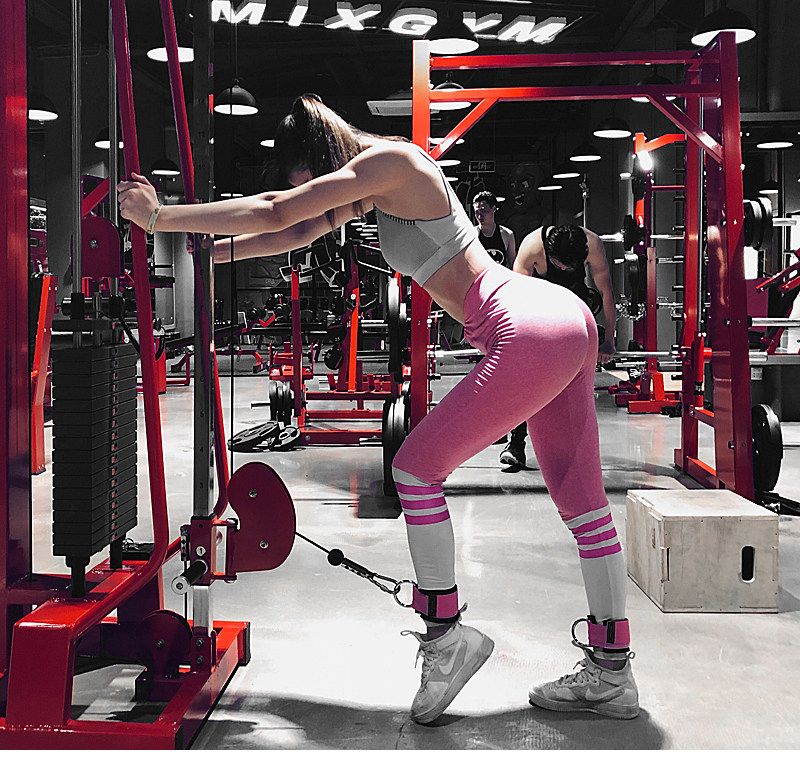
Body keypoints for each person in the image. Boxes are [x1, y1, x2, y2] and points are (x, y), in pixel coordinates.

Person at [117, 93, 638, 725]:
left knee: (415, 469)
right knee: (582, 504)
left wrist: (160, 217)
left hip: (525, 322)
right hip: (557, 319)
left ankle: (447, 638)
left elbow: (277, 209)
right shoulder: (377, 188)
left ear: (322, 151)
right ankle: (613, 674)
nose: (306, 188)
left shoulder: (394, 161)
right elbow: (294, 229)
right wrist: (209, 250)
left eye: (306, 175)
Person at [498, 224, 617, 469]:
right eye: (558, 265)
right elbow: (515, 301)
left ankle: (574, 451)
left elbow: (606, 292)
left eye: (568, 267)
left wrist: (609, 342)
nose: (562, 269)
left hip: (576, 309)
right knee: (527, 382)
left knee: (574, 384)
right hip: (539, 306)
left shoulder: (592, 245)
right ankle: (516, 443)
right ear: (549, 256)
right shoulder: (532, 246)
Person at [473, 191, 516, 269]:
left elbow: (513, 265)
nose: (479, 216)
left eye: (483, 211)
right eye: (477, 212)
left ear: (494, 209)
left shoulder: (507, 234)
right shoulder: (472, 235)